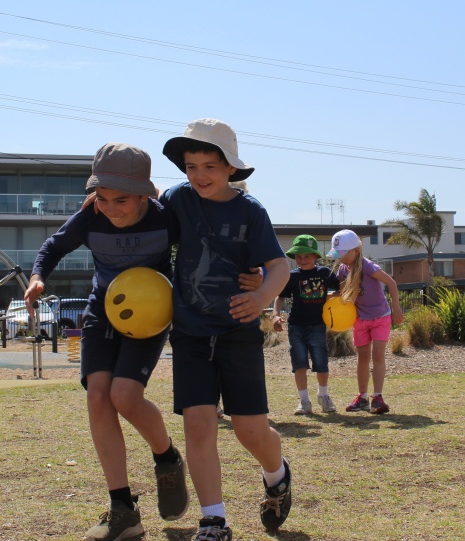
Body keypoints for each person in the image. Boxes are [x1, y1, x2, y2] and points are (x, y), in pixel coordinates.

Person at [24, 142, 188, 541]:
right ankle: (122, 510)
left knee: (126, 397)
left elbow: (203, 250)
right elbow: (52, 247)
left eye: (122, 200)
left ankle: (167, 458)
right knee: (98, 396)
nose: (111, 208)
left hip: (149, 315)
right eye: (102, 197)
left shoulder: (168, 219)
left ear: (145, 195)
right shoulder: (90, 217)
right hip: (103, 310)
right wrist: (37, 277)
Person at [160, 118, 292, 541]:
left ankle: (277, 473)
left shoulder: (250, 211)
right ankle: (213, 519)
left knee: (250, 430)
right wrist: (99, 203)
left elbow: (278, 266)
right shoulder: (177, 200)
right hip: (190, 333)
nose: (199, 174)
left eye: (209, 166)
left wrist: (260, 297)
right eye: (191, 165)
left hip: (238, 333)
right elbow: (141, 218)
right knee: (198, 424)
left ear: (230, 168)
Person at [326, 229, 404, 414]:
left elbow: (391, 283)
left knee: (377, 356)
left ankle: (377, 397)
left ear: (356, 251)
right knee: (362, 358)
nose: (341, 258)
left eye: (343, 254)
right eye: (338, 255)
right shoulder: (344, 269)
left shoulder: (368, 266)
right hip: (360, 319)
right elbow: (341, 291)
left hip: (380, 317)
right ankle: (362, 397)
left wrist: (396, 309)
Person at [272, 235, 341, 415]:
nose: (302, 260)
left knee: (321, 362)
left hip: (318, 325)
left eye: (307, 256)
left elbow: (342, 289)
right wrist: (275, 315)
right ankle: (304, 401)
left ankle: (323, 396)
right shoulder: (292, 276)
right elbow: (280, 296)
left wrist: (329, 298)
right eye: (298, 256)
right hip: (296, 326)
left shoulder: (325, 273)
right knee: (299, 363)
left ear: (315, 256)